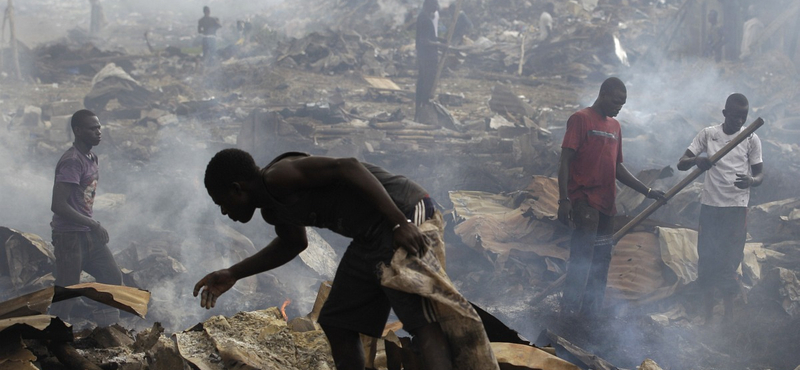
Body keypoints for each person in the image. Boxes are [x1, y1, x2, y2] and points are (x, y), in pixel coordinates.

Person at [194, 149, 457, 370]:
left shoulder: (280, 176)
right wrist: (233, 273)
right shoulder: (273, 211)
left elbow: (348, 167)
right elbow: (293, 243)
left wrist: (400, 223)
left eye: (222, 203)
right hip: (370, 236)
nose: (224, 212)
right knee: (337, 321)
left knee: (419, 321)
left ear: (236, 189)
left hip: (404, 209)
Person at [557, 77, 665, 318]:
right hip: (584, 201)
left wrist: (646, 191)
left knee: (602, 259)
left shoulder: (615, 127)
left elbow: (617, 168)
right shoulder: (580, 119)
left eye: (623, 104)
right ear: (603, 93)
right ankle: (568, 311)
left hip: (607, 204)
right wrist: (564, 200)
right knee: (582, 259)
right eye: (616, 102)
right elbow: (565, 161)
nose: (619, 108)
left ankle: (590, 313)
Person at [677, 93, 763, 323]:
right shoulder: (708, 134)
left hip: (736, 209)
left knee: (729, 262)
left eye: (743, 117)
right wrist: (697, 160)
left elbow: (760, 174)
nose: (739, 122)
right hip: (711, 207)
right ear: (725, 113)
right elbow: (681, 163)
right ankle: (706, 317)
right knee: (707, 260)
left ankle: (728, 320)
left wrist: (751, 181)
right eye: (735, 116)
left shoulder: (751, 139)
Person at [49, 109, 122, 324]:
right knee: (67, 291)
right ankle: (52, 337)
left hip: (87, 233)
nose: (98, 132)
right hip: (69, 237)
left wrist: (90, 226)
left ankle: (108, 327)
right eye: (92, 128)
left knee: (111, 277)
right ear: (78, 131)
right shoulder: (72, 161)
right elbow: (58, 205)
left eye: (99, 127)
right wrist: (93, 224)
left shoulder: (91, 157)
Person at [415, 0, 450, 122]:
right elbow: (424, 41)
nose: (437, 7)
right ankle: (423, 110)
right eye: (434, 4)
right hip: (427, 57)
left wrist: (440, 40)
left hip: (426, 56)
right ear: (427, 5)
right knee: (427, 83)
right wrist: (440, 45)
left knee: (423, 82)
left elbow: (430, 37)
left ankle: (420, 111)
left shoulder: (424, 17)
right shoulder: (424, 19)